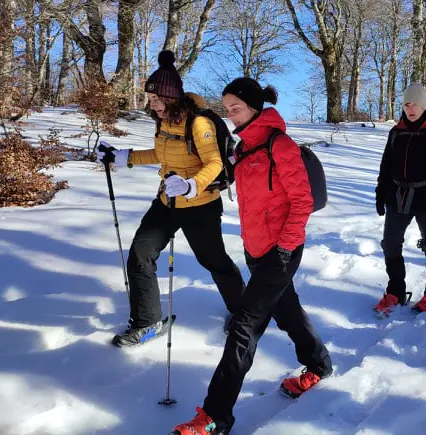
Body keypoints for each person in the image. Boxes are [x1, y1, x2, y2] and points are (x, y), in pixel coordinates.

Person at [171, 78, 332, 435]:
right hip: (255, 248)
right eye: (226, 109)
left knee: (245, 326)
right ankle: (319, 364)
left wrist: (287, 246)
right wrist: (191, 185)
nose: (230, 115)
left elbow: (302, 201)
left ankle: (215, 416)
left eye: (236, 108)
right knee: (287, 309)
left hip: (282, 250)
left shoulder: (281, 145)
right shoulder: (244, 148)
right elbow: (230, 182)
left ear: (255, 106)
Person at [96, 51, 245, 347]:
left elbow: (214, 163)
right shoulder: (163, 121)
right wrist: (122, 157)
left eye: (156, 99)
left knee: (213, 260)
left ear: (170, 97)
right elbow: (160, 154)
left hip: (200, 205)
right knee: (141, 253)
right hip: (167, 201)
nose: (152, 105)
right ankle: (147, 321)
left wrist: (192, 185)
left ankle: (244, 311)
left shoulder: (198, 123)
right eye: (150, 100)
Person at [373, 82, 426, 316]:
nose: (410, 109)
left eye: (415, 104)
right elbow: (386, 165)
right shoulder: (397, 130)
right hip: (399, 195)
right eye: (407, 104)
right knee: (390, 243)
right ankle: (395, 291)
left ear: (424, 105)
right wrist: (381, 193)